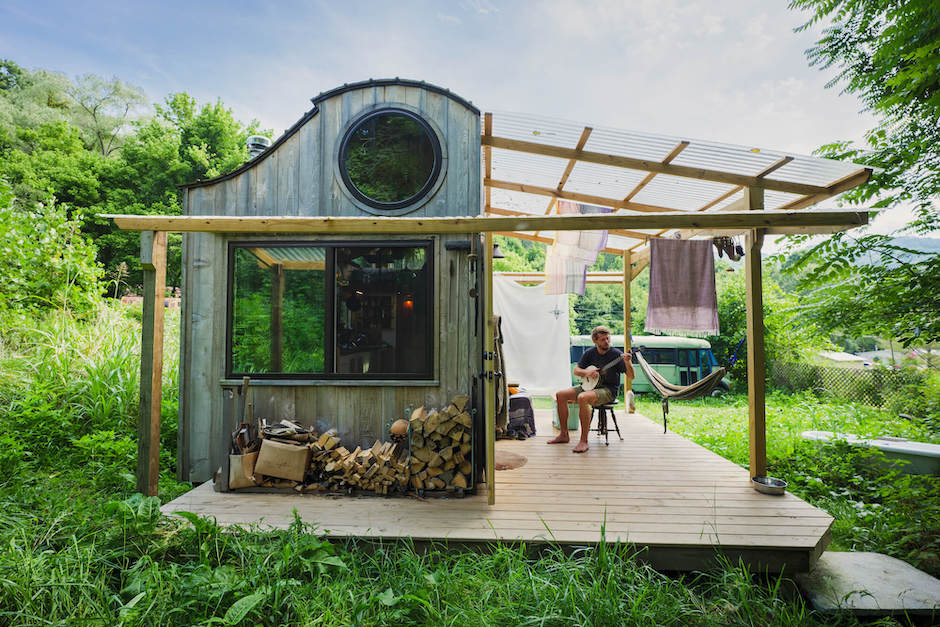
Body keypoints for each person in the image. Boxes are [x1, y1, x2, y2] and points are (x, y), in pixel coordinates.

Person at [549, 326, 635, 453]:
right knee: (560, 395)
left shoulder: (616, 354)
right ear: (595, 341)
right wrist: (587, 373)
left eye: (607, 338)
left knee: (582, 397)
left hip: (608, 390)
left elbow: (631, 376)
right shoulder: (590, 353)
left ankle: (583, 441)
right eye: (602, 340)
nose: (606, 342)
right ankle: (564, 434)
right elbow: (576, 371)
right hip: (589, 385)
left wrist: (628, 362)